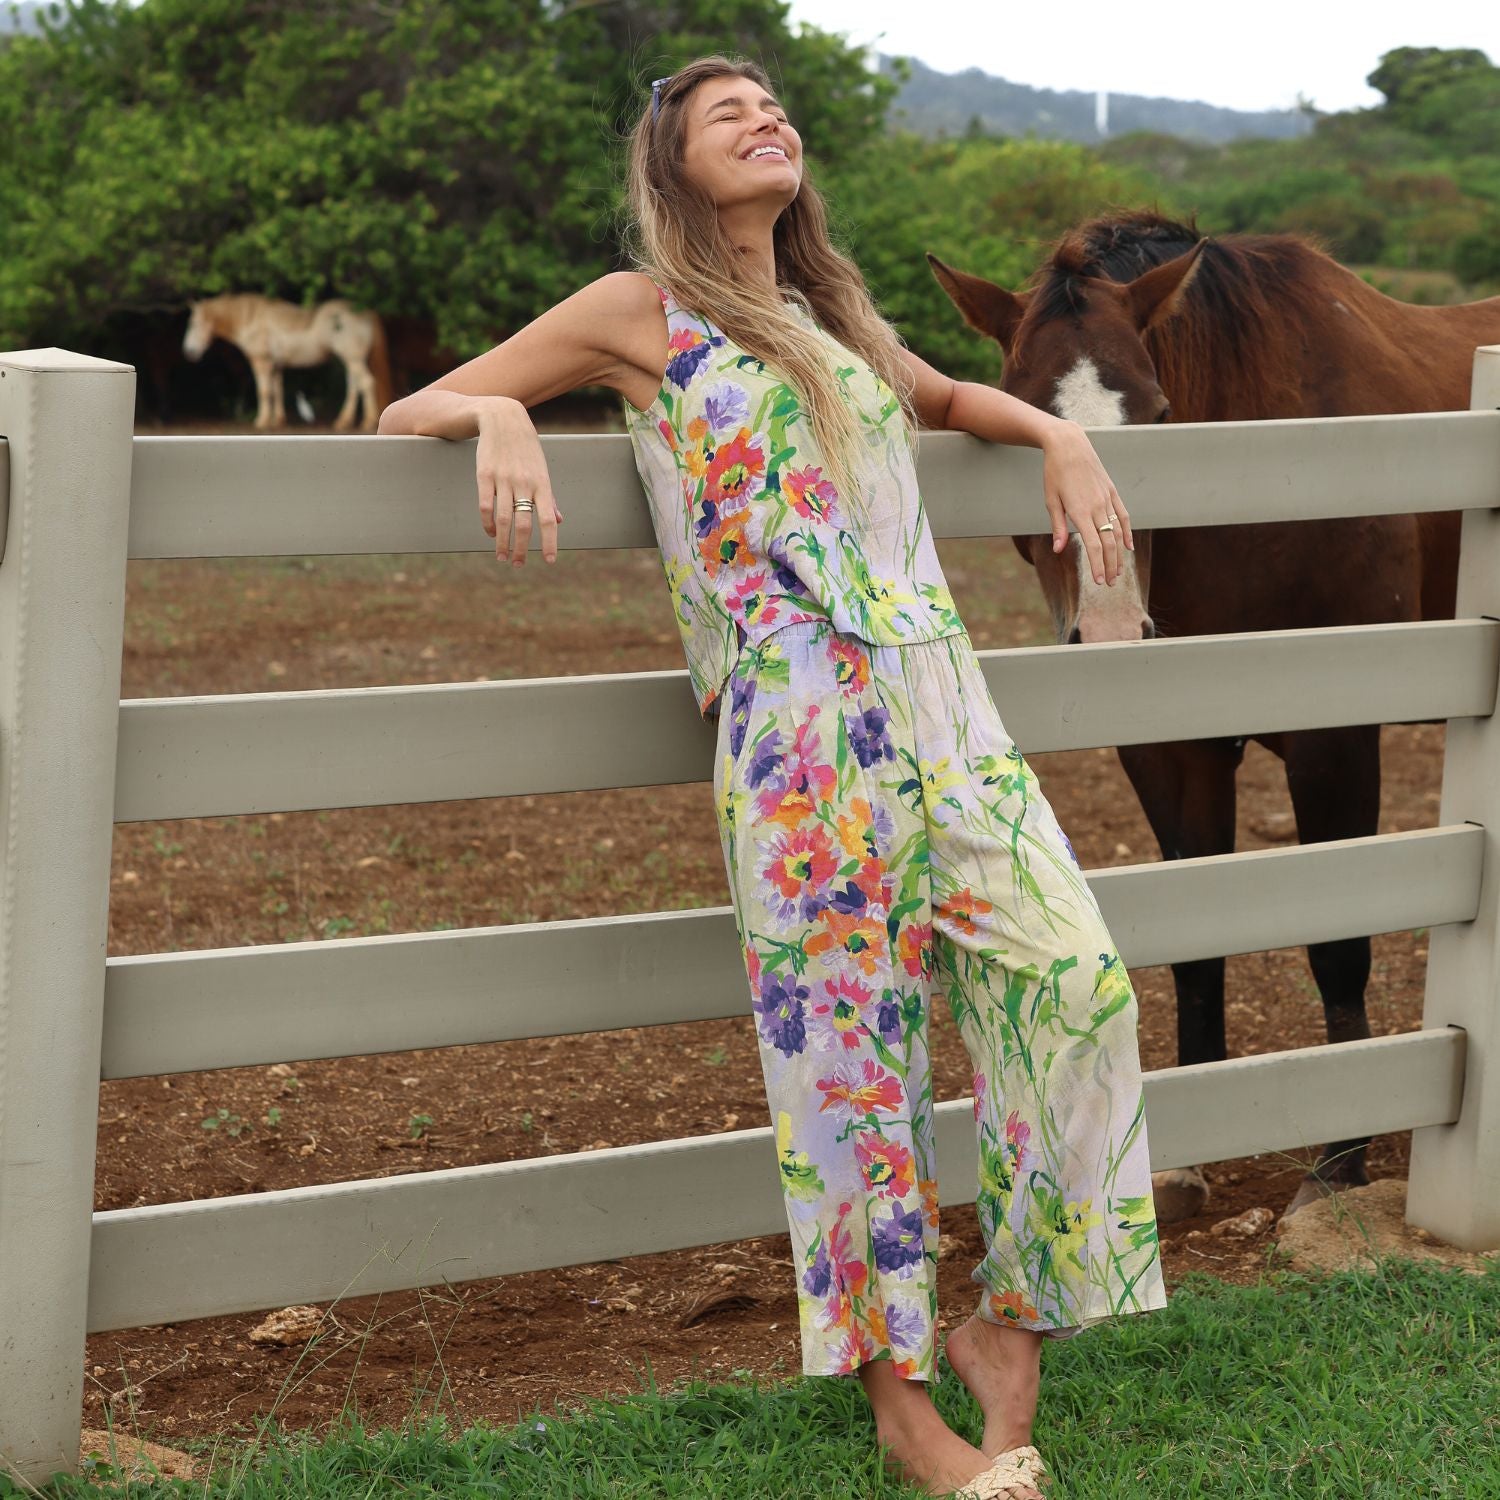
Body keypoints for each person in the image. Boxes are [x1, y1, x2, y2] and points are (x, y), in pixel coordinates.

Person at [377, 52, 1167, 1500]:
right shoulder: (643, 310)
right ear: (672, 163)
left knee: (1078, 985)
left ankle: (1008, 1328)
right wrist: (494, 415)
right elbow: (411, 405)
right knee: (848, 1069)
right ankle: (897, 1402)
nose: (764, 119)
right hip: (799, 726)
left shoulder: (833, 315)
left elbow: (938, 397)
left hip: (943, 704)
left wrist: (1056, 429)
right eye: (723, 111)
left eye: (774, 106)